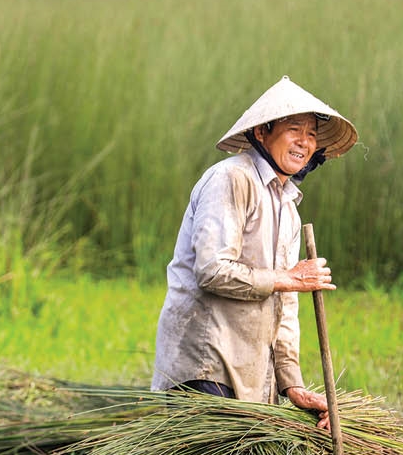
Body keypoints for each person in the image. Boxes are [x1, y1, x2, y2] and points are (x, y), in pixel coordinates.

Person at [151, 76, 358, 429]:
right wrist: (288, 278)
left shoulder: (289, 207)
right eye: (294, 130)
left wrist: (292, 384)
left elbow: (285, 306)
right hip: (206, 364)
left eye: (311, 134)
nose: (305, 142)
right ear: (262, 132)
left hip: (249, 373)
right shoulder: (232, 178)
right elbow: (212, 270)